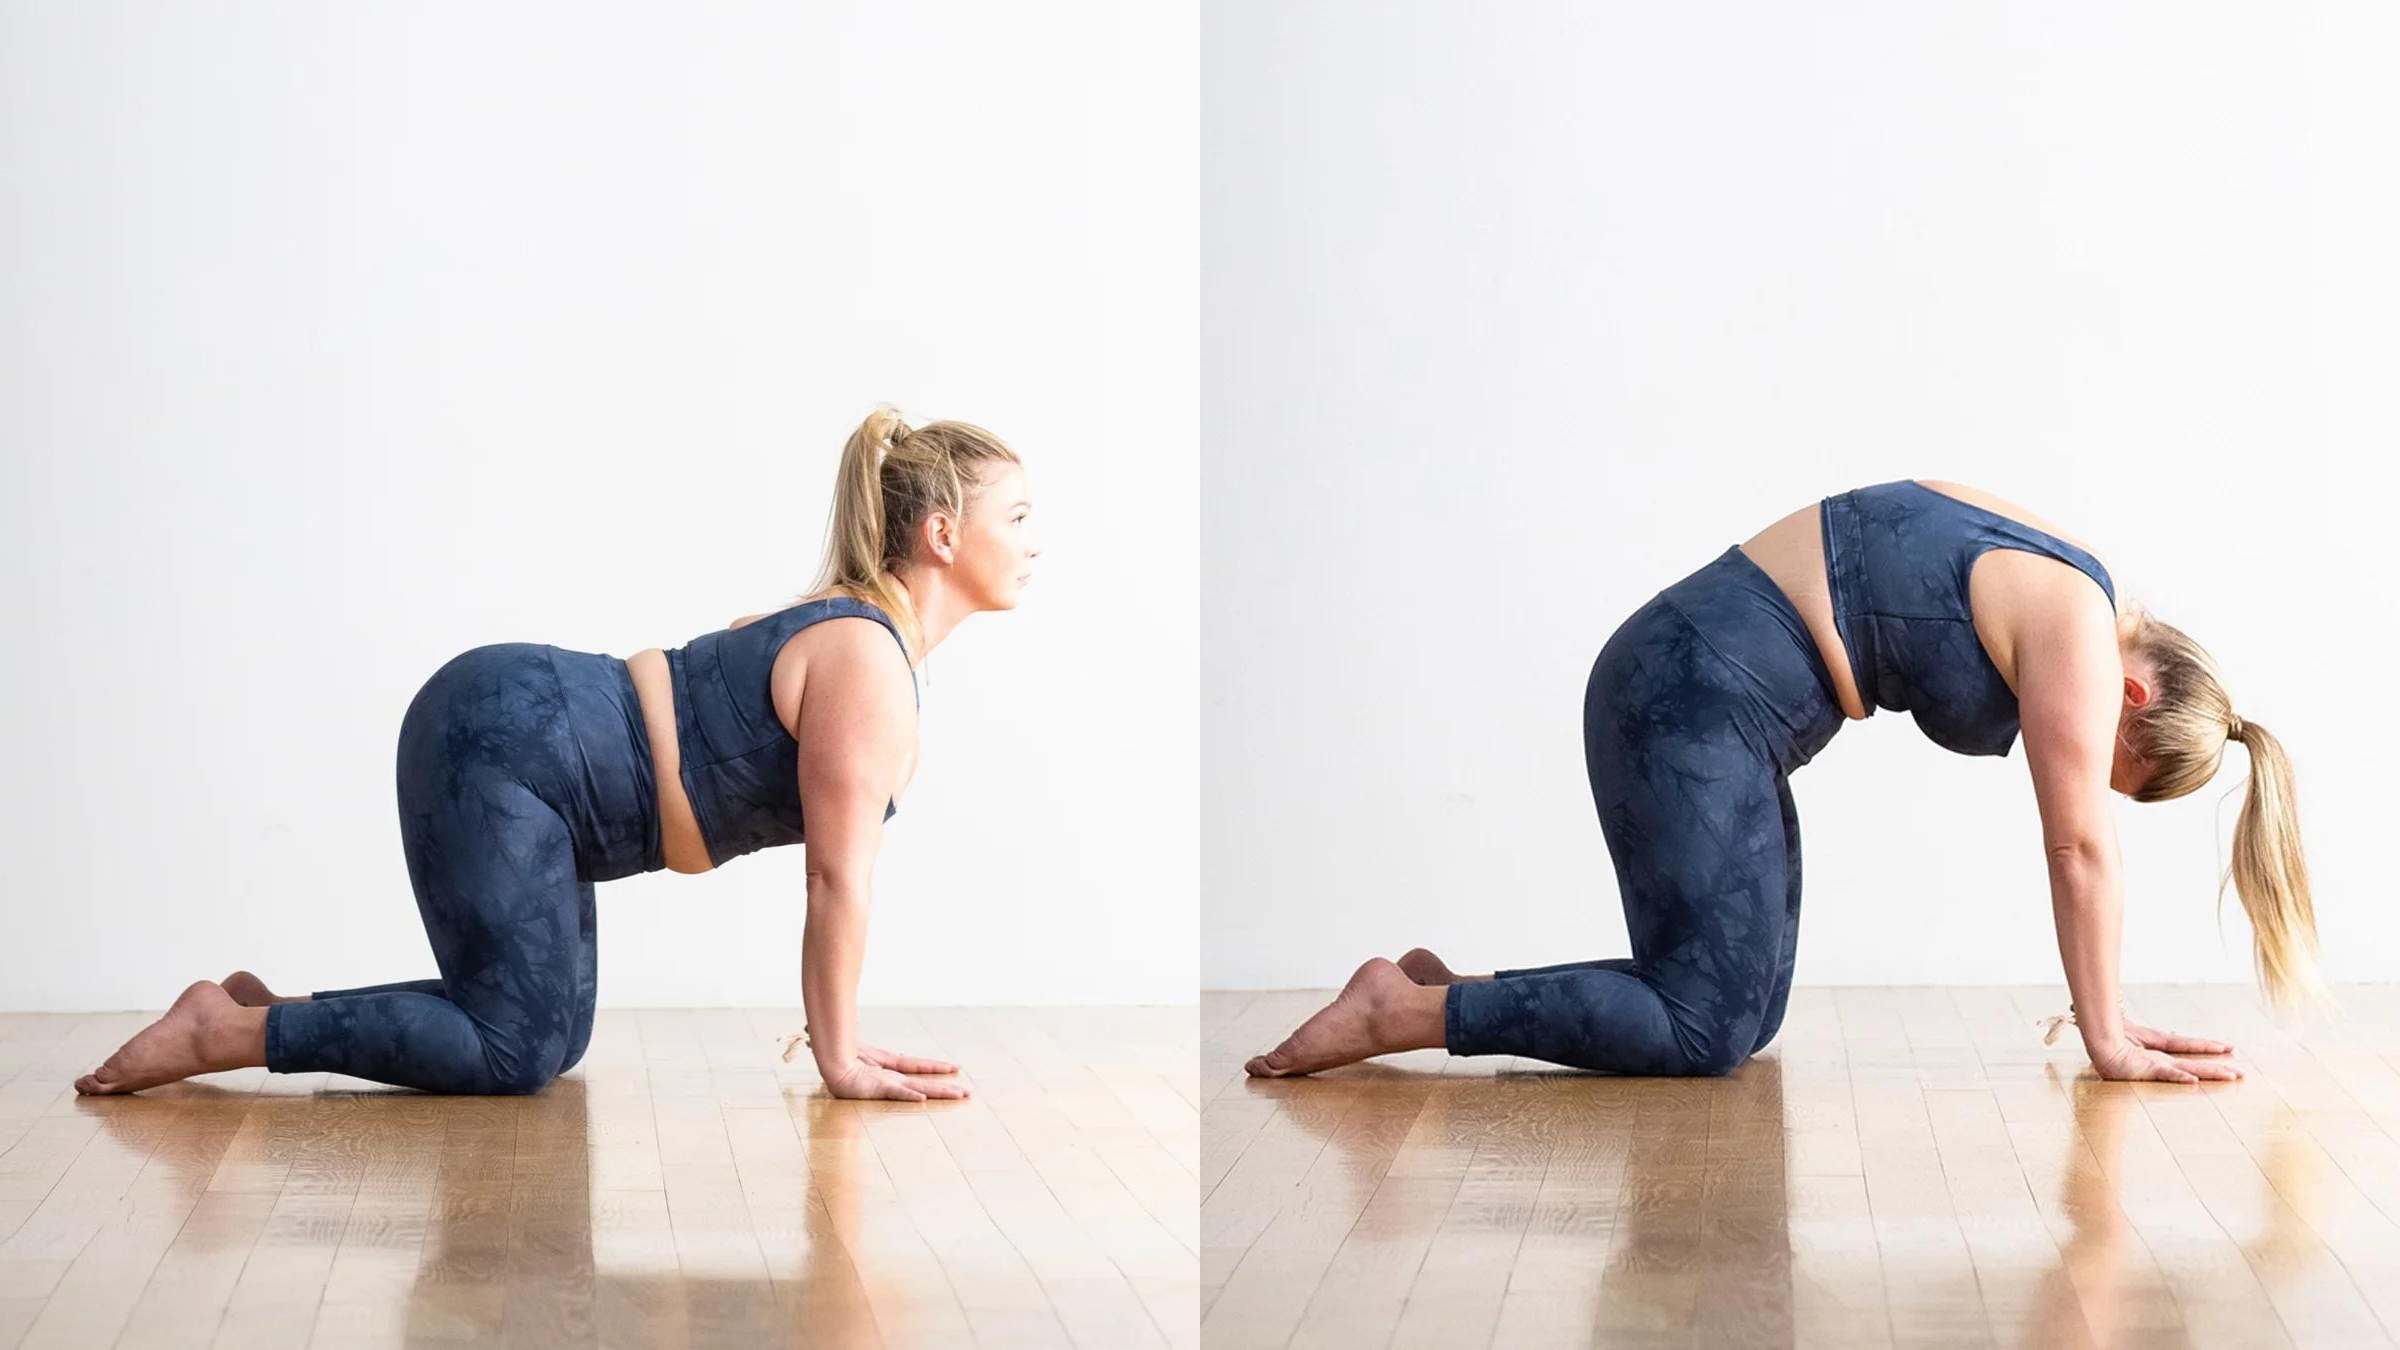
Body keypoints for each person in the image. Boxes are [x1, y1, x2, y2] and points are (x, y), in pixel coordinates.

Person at [73, 406, 1040, 1101]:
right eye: (1018, 520)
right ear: (941, 533)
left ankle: (261, 1009)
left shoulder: (854, 631)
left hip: (528, 747)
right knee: (518, 1047)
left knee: (552, 1036)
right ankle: (226, 1033)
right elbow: (836, 880)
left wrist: (843, 1044)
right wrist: (840, 1058)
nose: (1035, 544)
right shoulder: (868, 660)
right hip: (509, 745)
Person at [1246, 479, 2317, 1085]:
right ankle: (1399, 1014)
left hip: (1719, 712)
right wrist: (2107, 1034)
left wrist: (2107, 1012)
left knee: (1744, 1017)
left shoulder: (2072, 574)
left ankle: (1444, 990)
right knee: (1705, 1027)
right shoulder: (2078, 632)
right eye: (2121, 771)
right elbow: (2078, 847)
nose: (2087, 773)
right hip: (1685, 699)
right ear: (2132, 698)